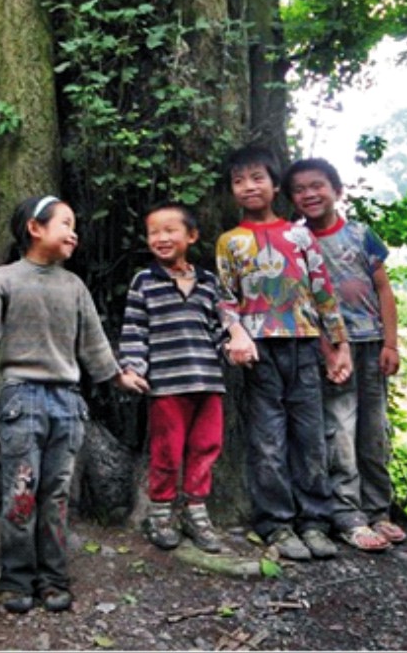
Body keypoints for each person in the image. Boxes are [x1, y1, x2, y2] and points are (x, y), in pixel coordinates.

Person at [0, 195, 144, 615]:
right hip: (21, 401)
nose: (73, 232)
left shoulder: (74, 286)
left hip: (68, 403)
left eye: (74, 224)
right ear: (34, 228)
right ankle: (16, 578)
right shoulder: (6, 279)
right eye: (65, 222)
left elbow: (94, 342)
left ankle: (54, 578)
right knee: (21, 492)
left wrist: (118, 375)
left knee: (58, 494)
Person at [214, 146, 351, 563]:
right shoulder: (230, 241)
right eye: (239, 180)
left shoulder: (300, 234)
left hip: (304, 343)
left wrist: (338, 346)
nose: (248, 186)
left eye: (257, 177)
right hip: (258, 351)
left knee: (309, 438)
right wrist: (235, 332)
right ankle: (276, 524)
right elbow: (225, 297)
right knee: (268, 439)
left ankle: (315, 521)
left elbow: (323, 291)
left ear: (276, 185)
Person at [117, 202, 257, 554]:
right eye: (154, 233)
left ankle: (196, 511)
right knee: (166, 451)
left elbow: (216, 330)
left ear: (191, 236)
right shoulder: (144, 281)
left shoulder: (209, 283)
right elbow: (135, 330)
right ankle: (161, 513)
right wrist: (133, 368)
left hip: (207, 382)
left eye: (170, 230)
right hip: (166, 386)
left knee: (206, 448)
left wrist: (233, 348)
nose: (161, 238)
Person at [283, 157, 405, 552]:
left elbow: (384, 289)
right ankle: (348, 515)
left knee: (374, 431)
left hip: (371, 343)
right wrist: (329, 348)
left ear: (337, 191)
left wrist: (391, 343)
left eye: (317, 185)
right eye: (299, 190)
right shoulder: (296, 241)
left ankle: (378, 510)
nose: (309, 194)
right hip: (331, 348)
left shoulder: (362, 235)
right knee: (340, 431)